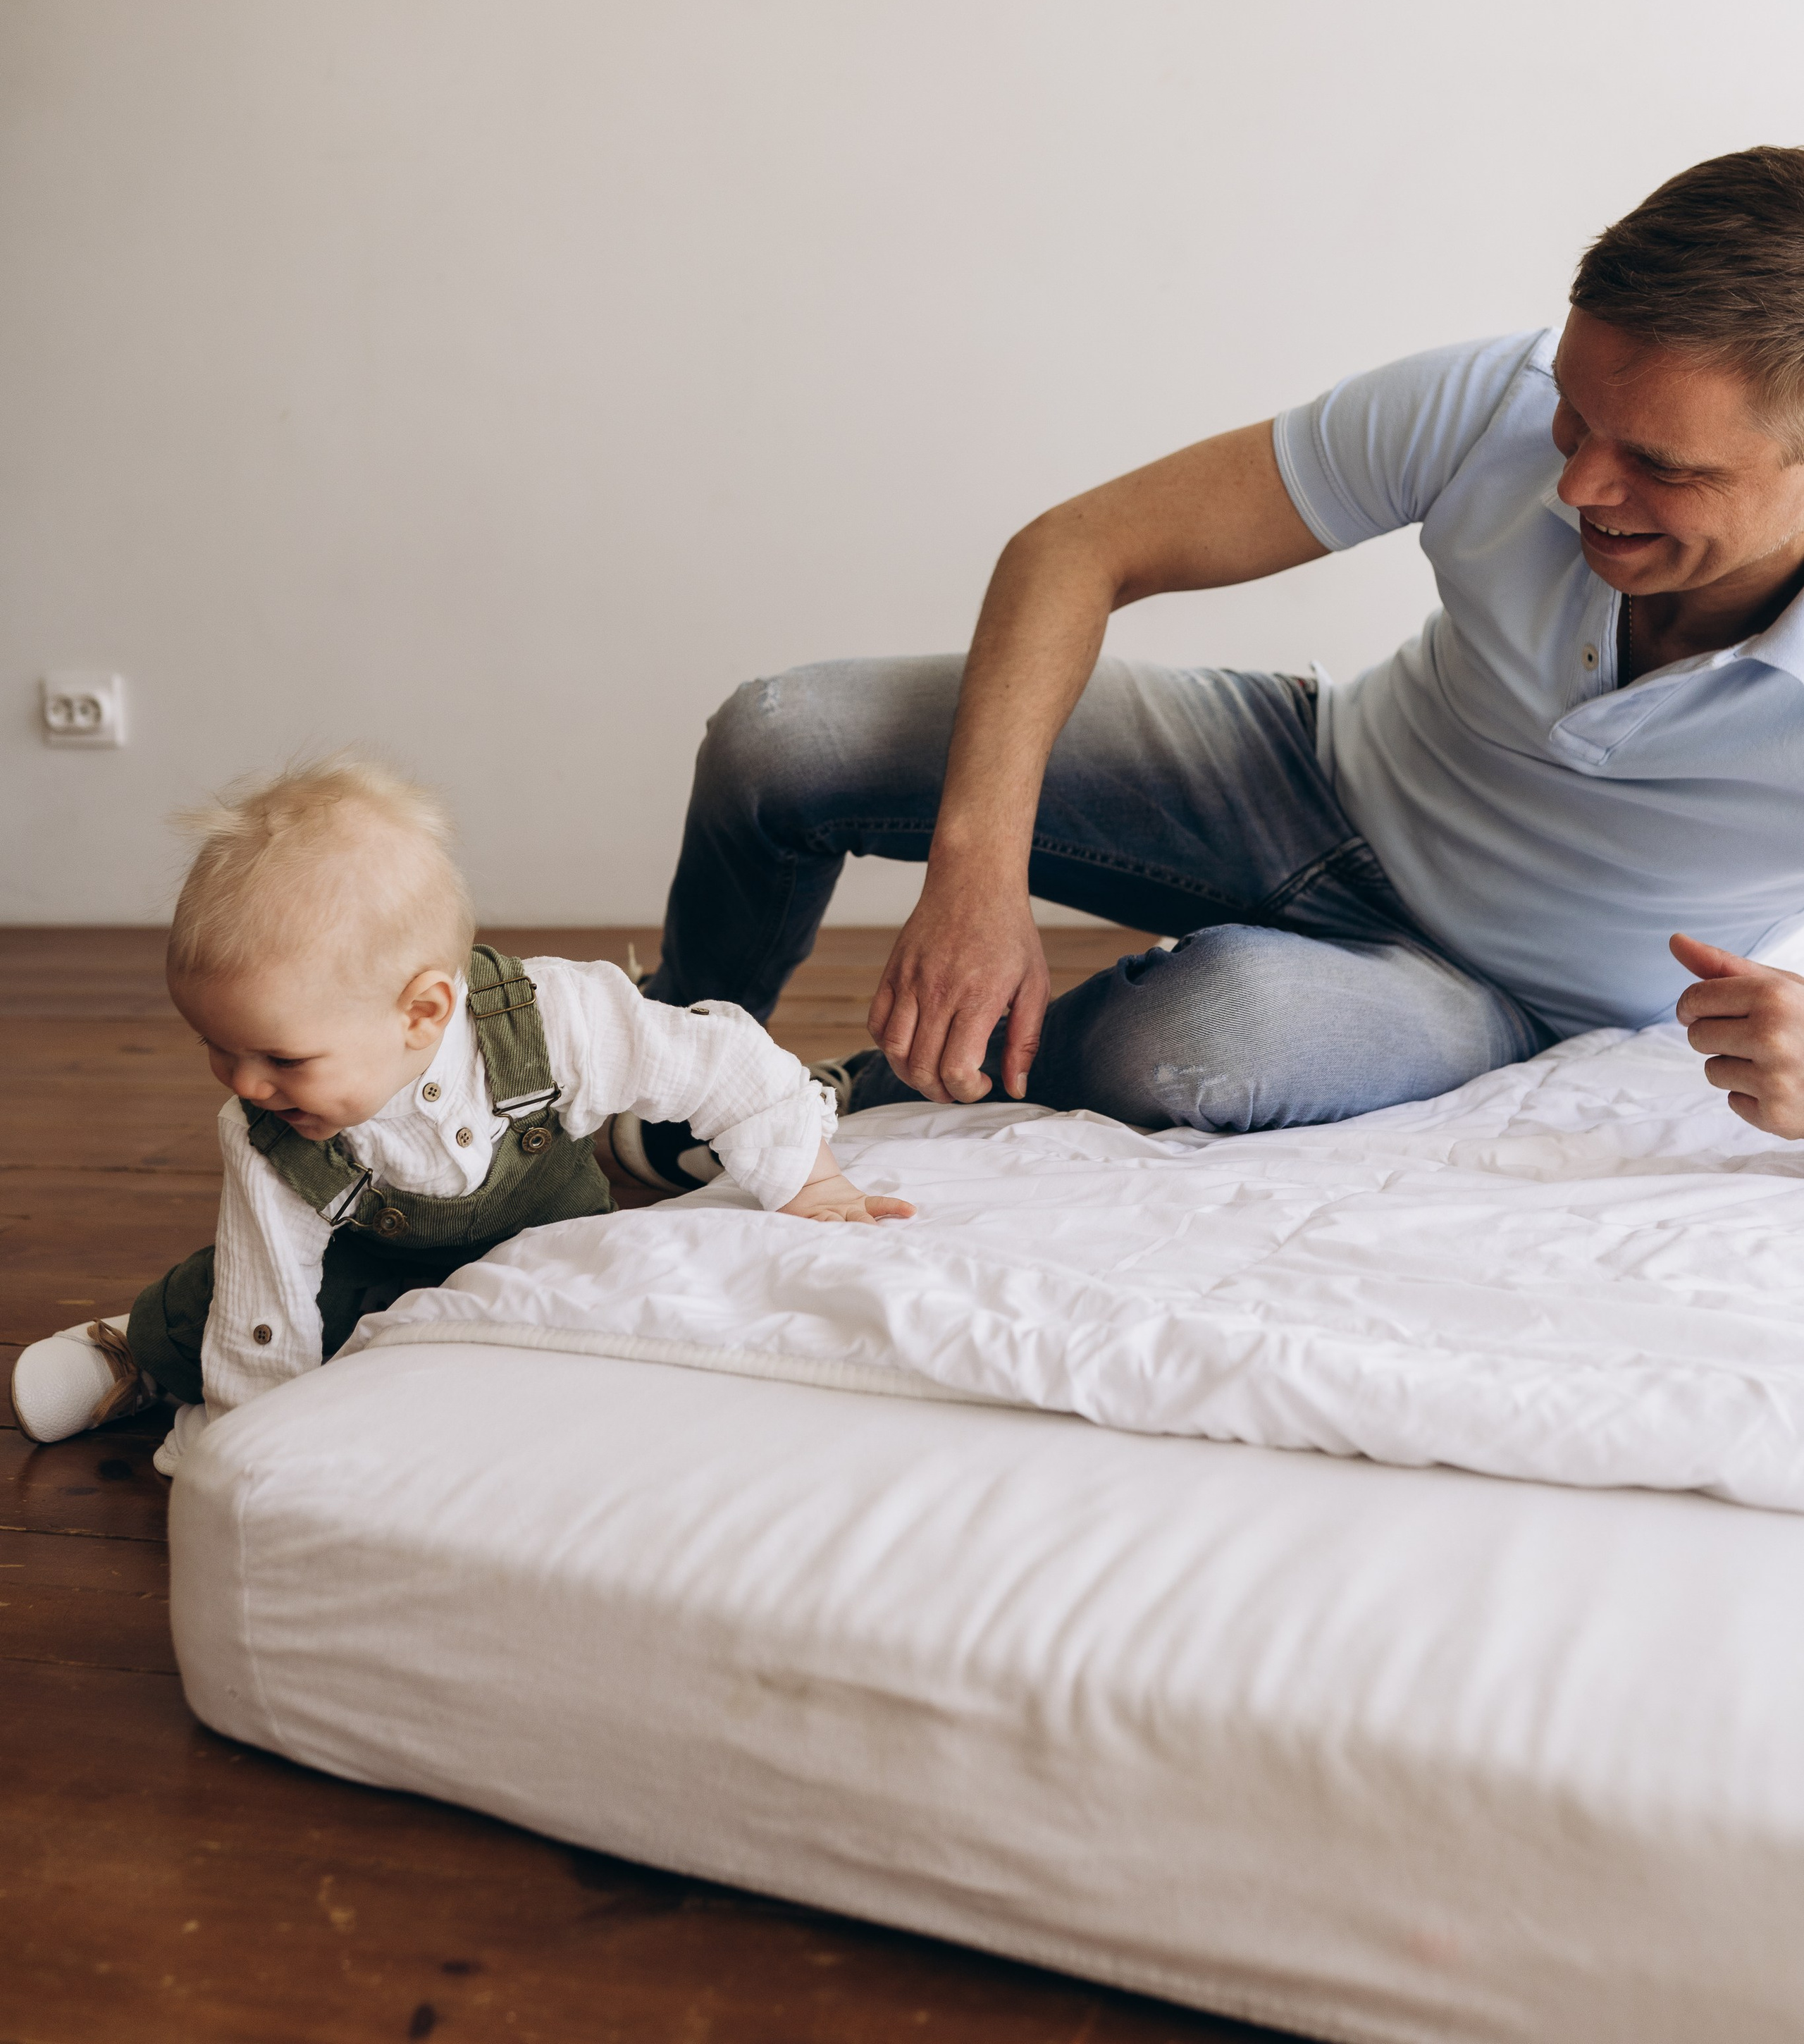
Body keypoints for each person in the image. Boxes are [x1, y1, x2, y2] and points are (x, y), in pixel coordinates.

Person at [632, 144, 1804, 1179]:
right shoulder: (1493, 393)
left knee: (1206, 1040)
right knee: (782, 733)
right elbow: (1079, 548)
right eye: (1574, 415)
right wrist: (977, 872)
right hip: (1306, 772)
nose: (1578, 485)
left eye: (1659, 464)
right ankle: (653, 1066)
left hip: (1495, 996)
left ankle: (809, 1101)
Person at [11, 759, 910, 1457]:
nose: (243, 1084)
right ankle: (142, 1350)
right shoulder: (267, 1133)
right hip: (367, 1268)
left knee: (627, 1320)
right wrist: (252, 1437)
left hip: (548, 1254)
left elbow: (722, 1063)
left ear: (424, 1012)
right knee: (241, 1299)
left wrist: (808, 1179)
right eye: (217, 1047)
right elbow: (267, 1291)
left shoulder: (555, 1019)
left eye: (281, 1057)